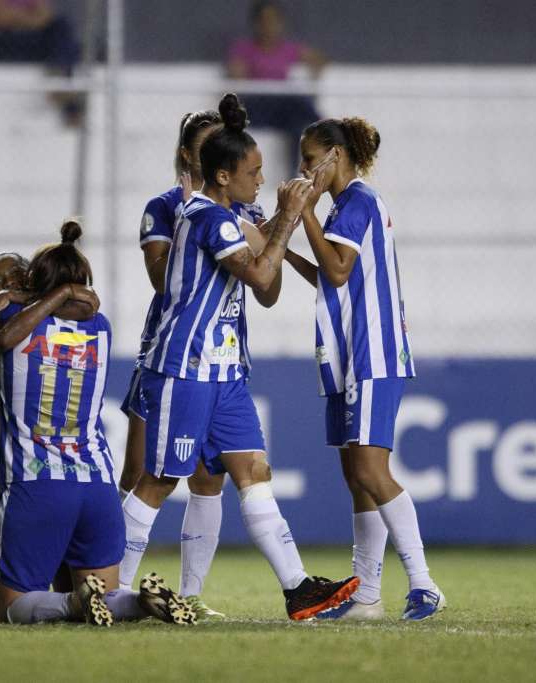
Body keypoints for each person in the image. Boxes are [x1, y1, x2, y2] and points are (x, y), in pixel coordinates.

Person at [118, 93, 359, 621]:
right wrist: (289, 217)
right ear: (222, 175)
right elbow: (258, 272)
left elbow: (266, 287)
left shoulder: (230, 215)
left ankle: (297, 587)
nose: (262, 180)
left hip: (226, 371)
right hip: (184, 366)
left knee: (252, 469)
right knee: (157, 480)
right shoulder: (205, 216)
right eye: (253, 171)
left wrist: (279, 227)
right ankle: (108, 586)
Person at [0, 221, 196, 626]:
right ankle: (140, 601)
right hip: (97, 485)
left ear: (33, 283)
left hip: (37, 481)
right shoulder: (101, 326)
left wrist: (28, 295)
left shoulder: (14, 323)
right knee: (106, 595)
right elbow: (83, 304)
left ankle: (70, 605)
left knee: (11, 607)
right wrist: (68, 291)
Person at [282, 117, 447, 621]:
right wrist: (282, 252)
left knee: (372, 470)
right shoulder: (343, 207)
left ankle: (424, 583)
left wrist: (304, 214)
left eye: (310, 159)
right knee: (357, 476)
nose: (304, 169)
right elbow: (332, 278)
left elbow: (338, 270)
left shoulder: (358, 201)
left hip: (374, 352)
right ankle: (367, 595)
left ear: (336, 156)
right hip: (349, 354)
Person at [117, 109, 269, 620]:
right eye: (207, 148)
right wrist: (199, 224)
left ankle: (191, 594)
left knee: (208, 479)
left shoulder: (239, 207)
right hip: (167, 355)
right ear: (189, 155)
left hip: (221, 359)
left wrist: (259, 228)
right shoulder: (164, 208)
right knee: (141, 472)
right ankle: (104, 581)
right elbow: (164, 281)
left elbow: (264, 275)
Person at [0, 251, 84, 623]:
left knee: (69, 581)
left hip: (42, 466)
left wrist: (25, 297)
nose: (8, 283)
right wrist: (2, 301)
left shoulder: (56, 318)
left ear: (29, 275)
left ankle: (70, 601)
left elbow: (88, 301)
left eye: (15, 274)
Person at [227, 1, 328, 172]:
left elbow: (319, 59)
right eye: (264, 20)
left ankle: (292, 175)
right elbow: (236, 79)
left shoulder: (287, 48)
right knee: (296, 100)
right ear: (256, 23)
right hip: (257, 107)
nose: (269, 26)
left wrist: (314, 75)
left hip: (282, 109)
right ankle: (324, 127)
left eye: (274, 20)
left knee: (296, 124)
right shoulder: (244, 48)